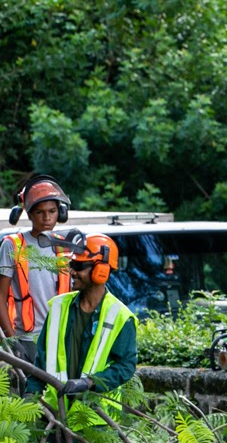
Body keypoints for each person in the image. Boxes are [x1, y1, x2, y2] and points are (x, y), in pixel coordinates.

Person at [26, 233, 138, 428]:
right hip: (54, 413)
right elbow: (42, 360)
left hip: (95, 421)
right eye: (72, 265)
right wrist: (30, 395)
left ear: (101, 271)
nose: (72, 271)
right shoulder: (59, 307)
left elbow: (125, 366)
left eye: (78, 266)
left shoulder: (120, 316)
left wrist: (90, 383)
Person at [0, 175, 73, 363]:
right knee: (31, 392)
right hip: (27, 338)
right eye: (40, 212)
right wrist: (12, 341)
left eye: (52, 211)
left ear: (61, 213)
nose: (47, 218)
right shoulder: (12, 245)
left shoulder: (65, 246)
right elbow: (0, 297)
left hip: (61, 335)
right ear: (29, 214)